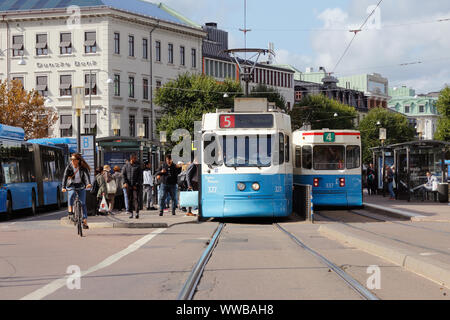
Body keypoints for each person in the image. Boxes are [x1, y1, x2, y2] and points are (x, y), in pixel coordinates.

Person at [62, 153, 92, 229]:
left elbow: (86, 176)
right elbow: (65, 177)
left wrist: (88, 183)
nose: (72, 161)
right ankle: (70, 211)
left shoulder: (82, 167)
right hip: (71, 185)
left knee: (83, 203)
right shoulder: (69, 167)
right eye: (71, 159)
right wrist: (63, 187)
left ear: (78, 160)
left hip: (81, 185)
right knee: (71, 194)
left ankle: (84, 220)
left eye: (74, 159)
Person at [122, 154, 143, 219]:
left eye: (135, 158)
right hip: (128, 185)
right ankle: (131, 213)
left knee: (136, 199)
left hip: (136, 186)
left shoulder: (138, 166)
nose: (135, 159)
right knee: (129, 199)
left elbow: (140, 177)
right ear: (131, 159)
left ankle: (137, 212)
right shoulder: (126, 166)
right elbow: (123, 175)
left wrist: (136, 184)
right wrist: (125, 183)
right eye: (134, 158)